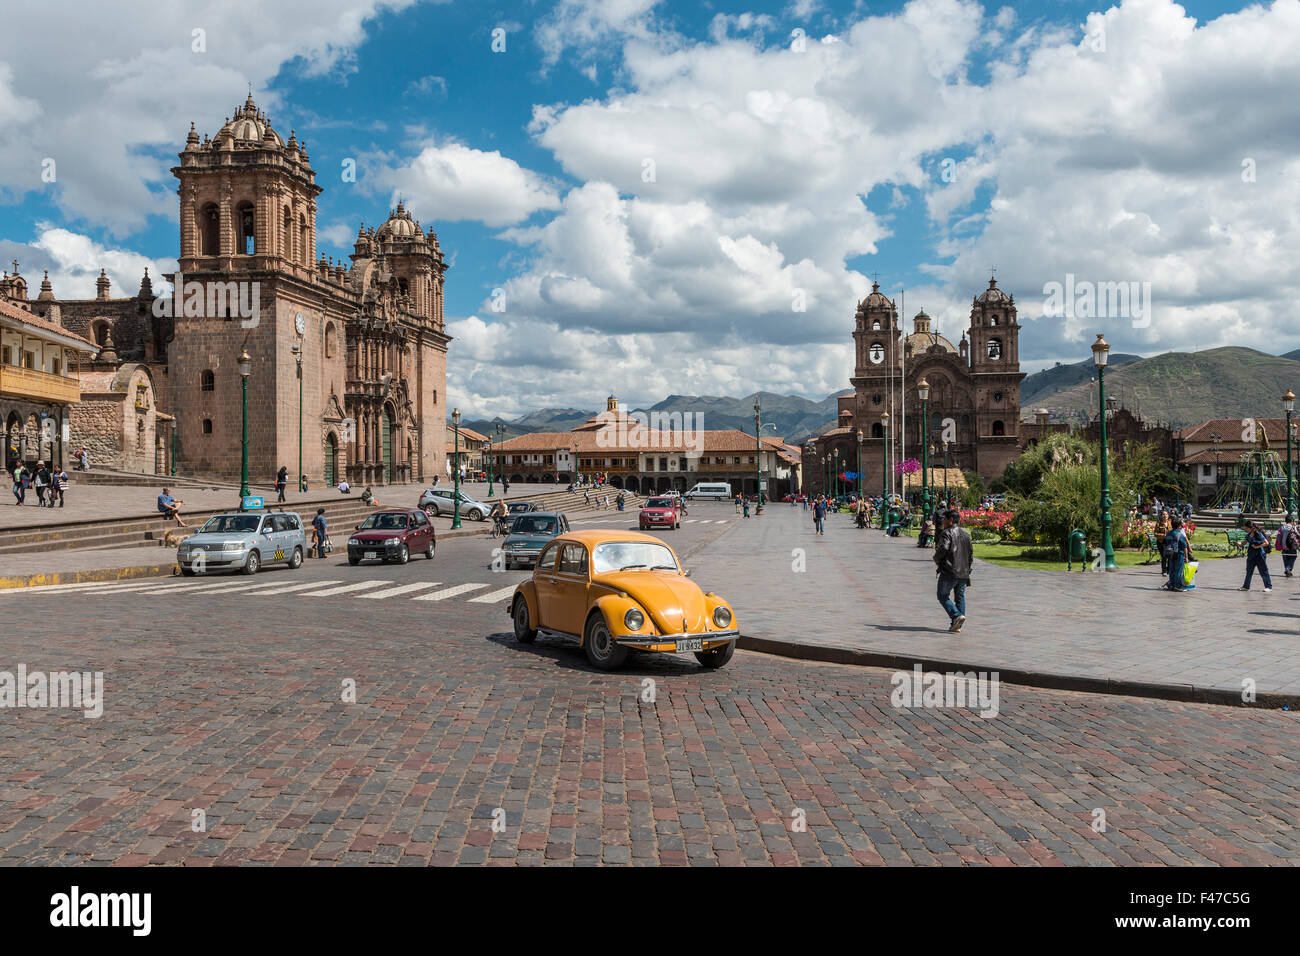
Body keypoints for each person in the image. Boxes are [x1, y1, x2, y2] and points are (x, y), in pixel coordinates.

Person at [934, 509, 973, 632]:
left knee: (942, 595)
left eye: (944, 518)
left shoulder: (947, 533)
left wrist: (936, 559)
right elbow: (970, 555)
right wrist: (968, 568)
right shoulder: (966, 535)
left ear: (951, 520)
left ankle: (956, 616)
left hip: (950, 571)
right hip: (964, 572)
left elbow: (944, 548)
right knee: (960, 597)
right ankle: (957, 625)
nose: (942, 520)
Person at [1240, 519, 1272, 592]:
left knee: (1263, 571)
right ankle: (1246, 586)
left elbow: (1266, 543)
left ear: (1251, 528)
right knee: (1249, 571)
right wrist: (1239, 543)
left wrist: (1257, 547)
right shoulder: (1248, 535)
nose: (1245, 529)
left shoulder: (1258, 534)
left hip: (1260, 554)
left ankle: (1268, 586)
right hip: (1251, 555)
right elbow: (1244, 543)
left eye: (1246, 528)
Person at [1163, 515, 1191, 591]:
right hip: (1179, 554)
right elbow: (1184, 547)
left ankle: (1171, 584)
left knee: (1172, 569)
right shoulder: (1179, 534)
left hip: (1170, 554)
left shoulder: (1169, 533)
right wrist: (1186, 557)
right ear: (1179, 526)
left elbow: (1165, 542)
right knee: (1178, 570)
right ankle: (1177, 585)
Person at [1154, 510, 1171, 575]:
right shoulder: (1158, 524)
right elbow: (1155, 533)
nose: (1165, 516)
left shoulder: (1170, 523)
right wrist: (1164, 535)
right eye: (1163, 514)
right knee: (1164, 556)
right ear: (1161, 516)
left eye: (1166, 514)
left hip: (1169, 542)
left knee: (1169, 556)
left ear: (1168, 515)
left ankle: (1169, 570)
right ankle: (1164, 571)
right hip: (1161, 542)